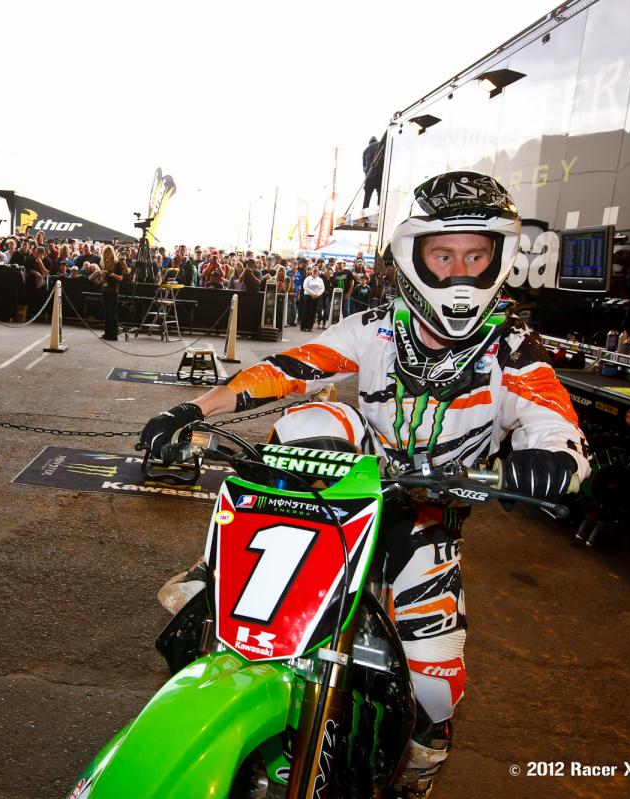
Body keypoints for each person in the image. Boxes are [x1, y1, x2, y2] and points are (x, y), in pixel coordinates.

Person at [137, 171, 590, 798]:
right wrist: (193, 410)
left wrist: (542, 465)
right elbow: (292, 368)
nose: (460, 270)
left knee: (435, 688)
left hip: (426, 525)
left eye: (476, 255)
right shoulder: (374, 326)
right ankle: (217, 569)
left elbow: (563, 437)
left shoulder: (516, 356)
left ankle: (416, 780)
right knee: (317, 417)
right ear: (417, 257)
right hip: (345, 501)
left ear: (498, 259)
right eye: (443, 254)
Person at [99, 245, 128, 340]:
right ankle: (107, 333)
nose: (107, 254)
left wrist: (113, 275)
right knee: (106, 313)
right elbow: (103, 278)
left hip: (113, 291)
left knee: (112, 312)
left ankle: (113, 335)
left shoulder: (117, 263)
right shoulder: (104, 263)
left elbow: (121, 278)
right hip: (105, 290)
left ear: (112, 253)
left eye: (109, 252)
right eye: (105, 252)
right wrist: (102, 276)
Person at [300, 264, 324, 332]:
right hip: (308, 297)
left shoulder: (320, 280)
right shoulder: (307, 278)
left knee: (313, 312)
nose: (315, 271)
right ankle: (304, 327)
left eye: (316, 270)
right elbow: (305, 287)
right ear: (311, 271)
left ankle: (310, 327)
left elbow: (322, 288)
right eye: (314, 269)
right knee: (306, 311)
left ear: (318, 271)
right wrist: (312, 294)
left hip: (316, 297)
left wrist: (317, 294)